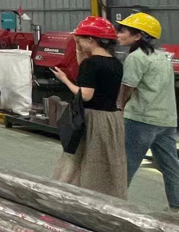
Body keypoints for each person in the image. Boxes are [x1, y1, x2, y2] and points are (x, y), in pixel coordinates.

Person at [51, 16, 127, 199]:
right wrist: (78, 47)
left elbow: (85, 95)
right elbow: (86, 71)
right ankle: (108, 196)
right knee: (105, 162)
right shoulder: (116, 63)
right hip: (111, 118)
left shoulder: (91, 63)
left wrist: (64, 80)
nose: (79, 43)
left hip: (92, 119)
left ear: (91, 39)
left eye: (81, 40)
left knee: (82, 159)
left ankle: (75, 196)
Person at [116, 12, 179, 211]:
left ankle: (113, 203)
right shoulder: (162, 57)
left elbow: (128, 87)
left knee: (126, 165)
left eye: (123, 31)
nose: (119, 34)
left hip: (141, 120)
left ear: (138, 36)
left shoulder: (136, 57)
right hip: (166, 120)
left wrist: (119, 108)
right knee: (171, 166)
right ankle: (176, 205)